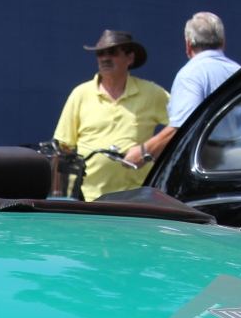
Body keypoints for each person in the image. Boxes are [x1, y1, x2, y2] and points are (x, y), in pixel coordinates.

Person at [53, 30, 169, 199]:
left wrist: (148, 149)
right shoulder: (80, 94)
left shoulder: (152, 93)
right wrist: (58, 197)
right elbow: (62, 149)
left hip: (138, 198)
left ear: (129, 58)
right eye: (100, 53)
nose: (105, 58)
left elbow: (182, 125)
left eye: (113, 52)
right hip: (87, 199)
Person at [124, 13, 239, 167]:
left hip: (208, 171)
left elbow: (183, 128)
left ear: (188, 45)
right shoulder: (240, 71)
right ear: (223, 42)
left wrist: (144, 152)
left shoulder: (190, 75)